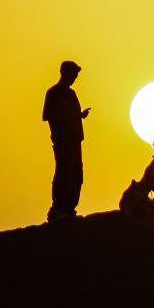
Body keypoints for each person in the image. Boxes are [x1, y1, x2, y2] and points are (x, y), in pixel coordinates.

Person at [42, 60, 90, 222]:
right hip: (63, 141)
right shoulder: (53, 93)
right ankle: (58, 209)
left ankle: (69, 209)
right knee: (64, 172)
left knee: (77, 174)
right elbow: (49, 117)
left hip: (75, 140)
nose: (75, 78)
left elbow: (72, 114)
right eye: (73, 74)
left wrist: (80, 115)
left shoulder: (71, 93)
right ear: (65, 73)